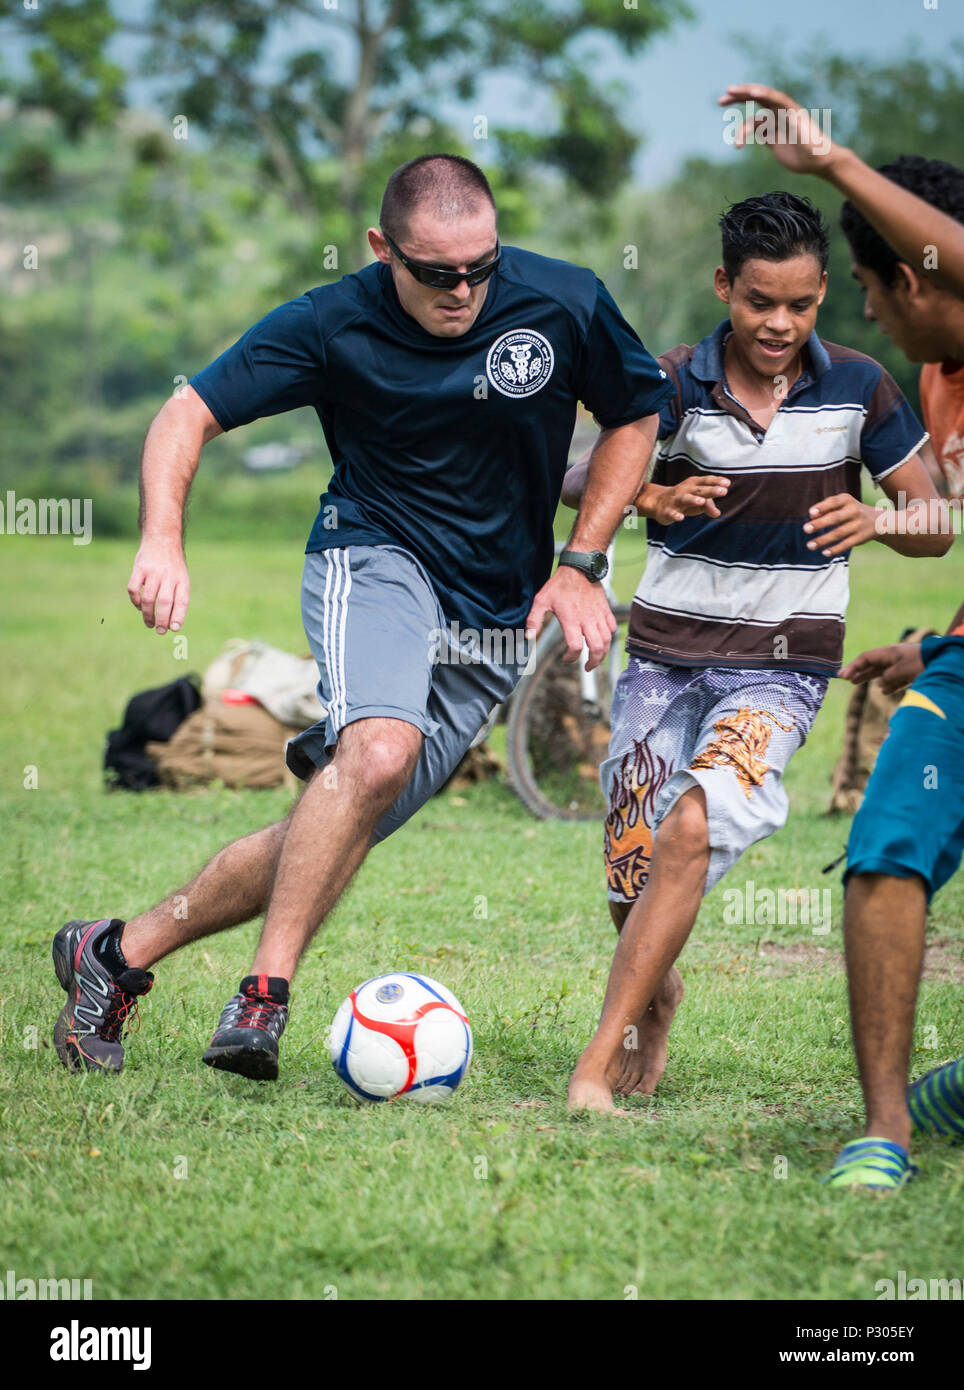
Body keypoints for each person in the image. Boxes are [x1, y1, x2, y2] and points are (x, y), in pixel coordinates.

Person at [52, 153, 677, 1082]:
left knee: (341, 817)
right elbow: (186, 414)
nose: (463, 290)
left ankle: (112, 956)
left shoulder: (564, 300)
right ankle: (262, 998)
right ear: (385, 249)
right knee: (377, 750)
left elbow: (636, 412)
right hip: (372, 554)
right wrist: (161, 539)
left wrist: (583, 560)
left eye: (481, 267)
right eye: (436, 273)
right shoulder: (328, 321)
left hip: (495, 614)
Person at [562, 191, 950, 1114]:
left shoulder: (860, 386)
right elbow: (576, 469)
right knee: (630, 866)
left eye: (802, 304)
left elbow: (935, 520)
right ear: (724, 287)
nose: (780, 324)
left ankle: (596, 1058)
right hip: (661, 656)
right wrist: (646, 497)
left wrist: (882, 520)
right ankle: (656, 1001)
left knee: (692, 824)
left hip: (783, 667)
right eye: (759, 302)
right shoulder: (668, 381)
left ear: (823, 298)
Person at [716, 84, 964, 1187]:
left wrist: (832, 166)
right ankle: (885, 1130)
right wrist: (927, 643)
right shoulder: (934, 383)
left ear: (914, 275)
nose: (865, 313)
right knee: (883, 850)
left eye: (863, 288)